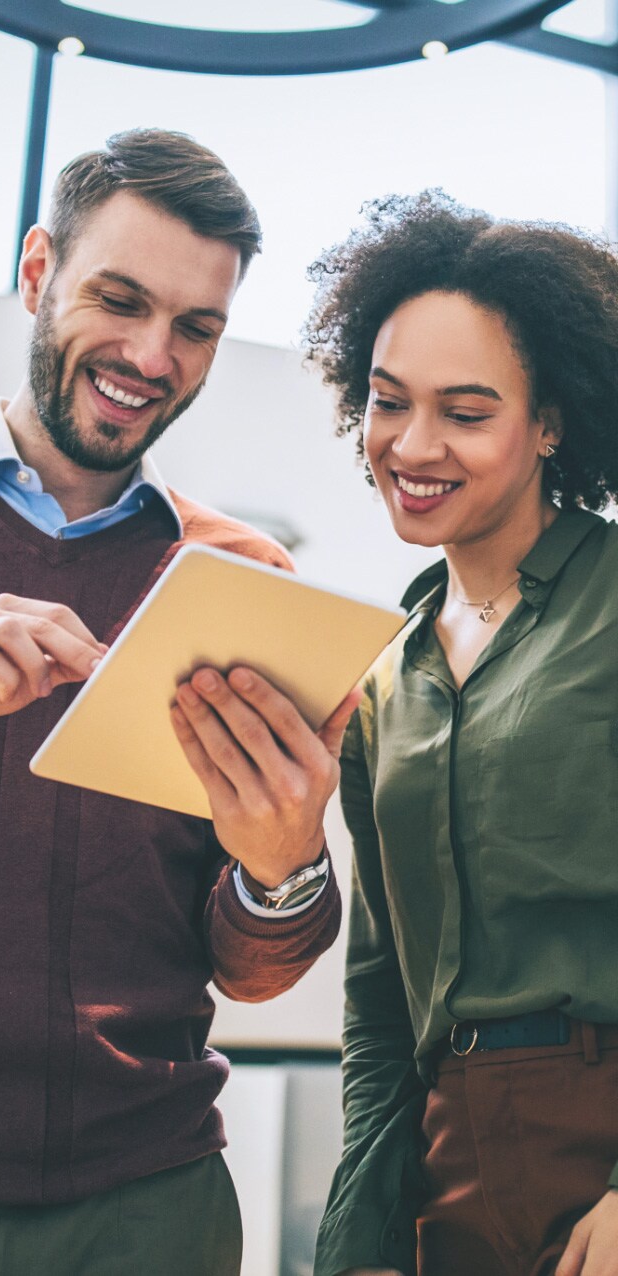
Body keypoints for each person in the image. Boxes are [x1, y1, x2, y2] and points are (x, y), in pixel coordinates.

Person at [0, 128, 356, 1276]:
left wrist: (281, 861)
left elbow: (253, 964)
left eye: (196, 327)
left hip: (144, 1209)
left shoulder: (250, 580)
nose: (153, 354)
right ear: (39, 272)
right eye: (120, 299)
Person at [303, 191, 618, 1276]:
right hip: (446, 1166)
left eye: (468, 412)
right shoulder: (384, 673)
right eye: (390, 402)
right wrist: (364, 1236)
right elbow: (381, 1002)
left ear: (552, 421)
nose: (414, 445)